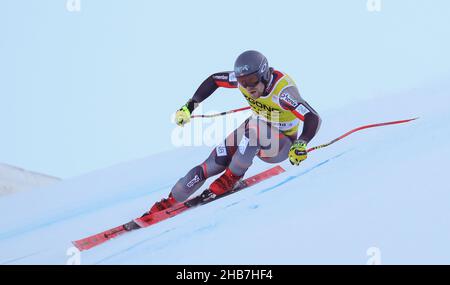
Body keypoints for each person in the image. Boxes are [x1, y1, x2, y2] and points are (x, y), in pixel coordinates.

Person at [148, 50, 322, 214]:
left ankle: (229, 179)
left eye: (253, 80)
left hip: (281, 144)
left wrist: (302, 141)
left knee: (254, 128)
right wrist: (188, 107)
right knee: (215, 161)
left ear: (264, 74)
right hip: (255, 131)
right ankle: (171, 200)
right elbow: (214, 79)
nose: (248, 87)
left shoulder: (283, 92)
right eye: (243, 82)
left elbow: (313, 116)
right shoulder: (242, 82)